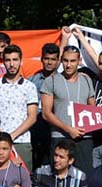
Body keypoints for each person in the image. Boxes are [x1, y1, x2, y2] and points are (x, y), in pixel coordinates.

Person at [40, 46, 96, 173]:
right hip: (60, 136)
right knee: (59, 177)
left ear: (79, 61)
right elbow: (46, 114)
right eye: (65, 61)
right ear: (61, 60)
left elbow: (93, 109)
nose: (69, 65)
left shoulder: (87, 80)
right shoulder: (51, 81)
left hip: (84, 137)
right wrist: (68, 129)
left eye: (72, 61)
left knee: (85, 178)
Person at [0, 45, 38, 169]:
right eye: (8, 60)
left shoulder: (30, 86)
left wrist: (12, 136)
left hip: (21, 141)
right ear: (3, 62)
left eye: (15, 60)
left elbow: (32, 117)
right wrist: (1, 137)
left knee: (23, 182)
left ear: (20, 61)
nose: (11, 64)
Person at [27, 43, 60, 171]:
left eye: (53, 59)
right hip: (36, 128)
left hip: (56, 130)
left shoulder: (63, 80)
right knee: (36, 165)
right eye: (46, 58)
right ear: (41, 59)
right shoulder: (32, 80)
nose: (49, 62)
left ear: (58, 61)